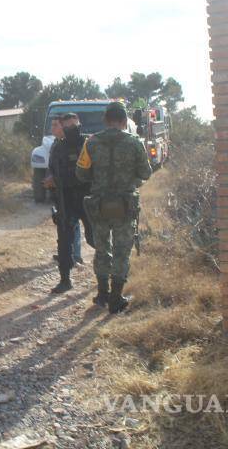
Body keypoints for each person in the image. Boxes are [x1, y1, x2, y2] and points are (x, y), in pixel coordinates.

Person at [77, 102, 152, 313]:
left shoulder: (90, 143)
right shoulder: (135, 143)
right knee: (121, 251)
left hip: (99, 204)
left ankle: (102, 294)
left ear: (105, 120)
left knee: (102, 250)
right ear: (124, 121)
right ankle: (116, 298)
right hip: (125, 205)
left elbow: (81, 174)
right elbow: (146, 173)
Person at [44, 113, 93, 294]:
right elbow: (52, 168)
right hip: (66, 201)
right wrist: (50, 179)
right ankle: (65, 279)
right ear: (64, 129)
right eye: (69, 127)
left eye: (75, 126)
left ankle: (106, 277)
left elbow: (91, 174)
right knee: (64, 243)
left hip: (87, 200)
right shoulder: (58, 147)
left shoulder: (89, 144)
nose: (73, 130)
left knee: (94, 239)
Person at [45, 116, 84, 267]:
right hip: (61, 192)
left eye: (56, 125)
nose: (52, 128)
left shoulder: (80, 144)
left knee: (73, 224)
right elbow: (53, 166)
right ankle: (67, 253)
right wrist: (50, 177)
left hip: (75, 192)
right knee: (66, 224)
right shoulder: (57, 144)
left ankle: (75, 255)